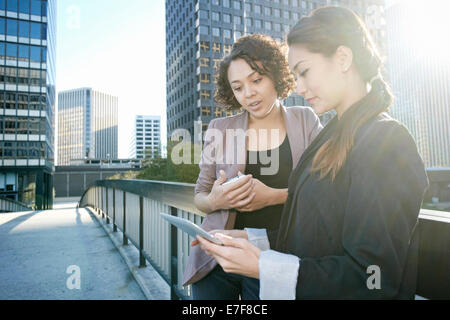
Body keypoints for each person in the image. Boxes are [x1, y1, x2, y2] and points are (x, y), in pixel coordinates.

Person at [196, 6, 429, 299]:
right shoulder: (331, 137)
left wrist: (264, 265)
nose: (299, 87)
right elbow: (315, 234)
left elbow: (374, 277)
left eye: (304, 72)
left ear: (343, 58)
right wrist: (250, 239)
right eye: (296, 75)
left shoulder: (386, 141)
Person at [183, 34, 323, 299]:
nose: (248, 94)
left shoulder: (305, 121)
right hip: (219, 254)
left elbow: (325, 190)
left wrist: (273, 196)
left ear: (276, 76)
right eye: (237, 87)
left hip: (274, 256)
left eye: (256, 80)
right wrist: (214, 200)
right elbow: (199, 196)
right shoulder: (219, 129)